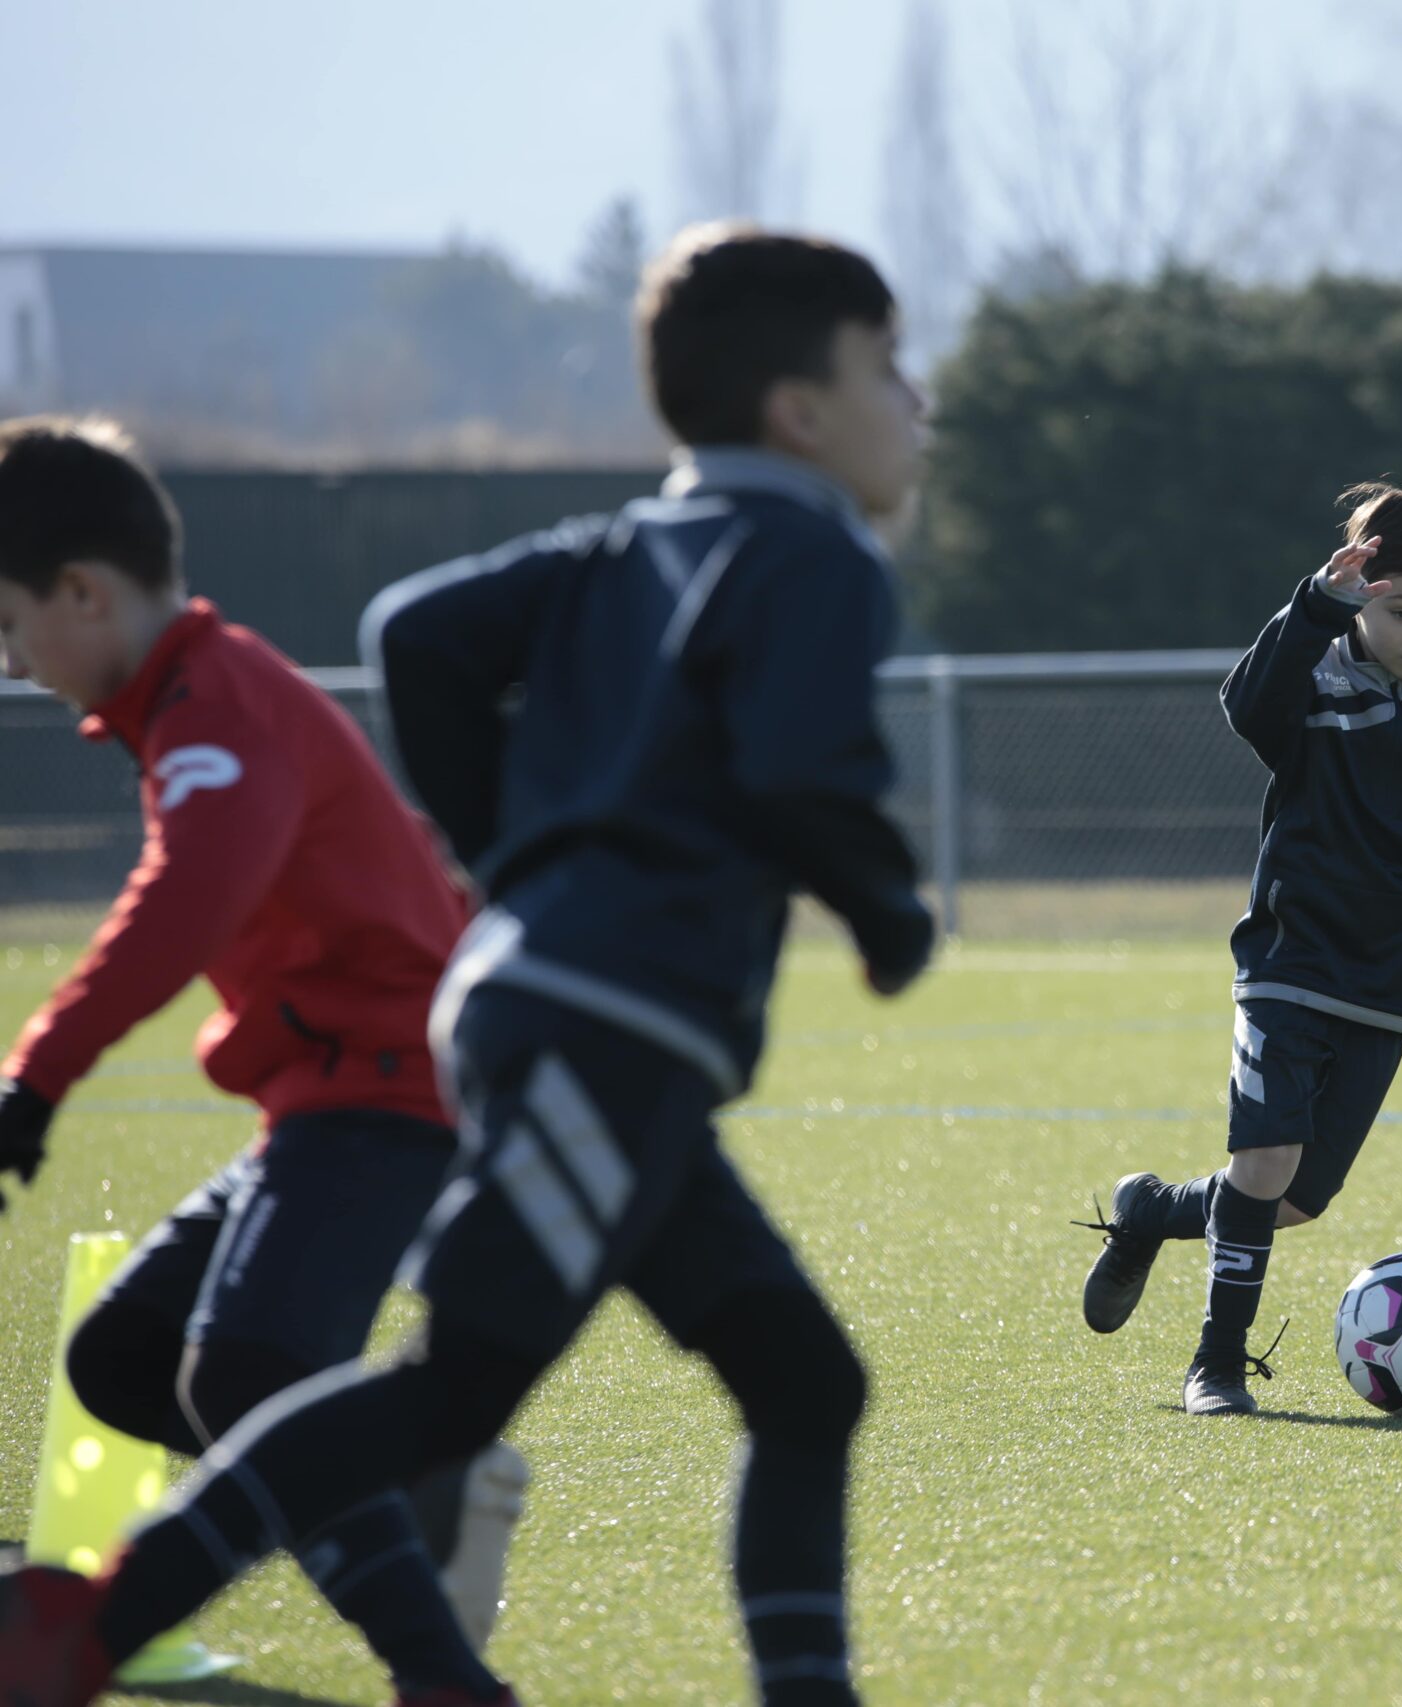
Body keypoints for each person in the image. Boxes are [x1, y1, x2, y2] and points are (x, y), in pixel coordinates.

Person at [0, 224, 935, 1707]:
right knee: (445, 1390)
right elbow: (800, 769)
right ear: (799, 412)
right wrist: (891, 911)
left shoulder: (626, 542)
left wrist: (521, 866)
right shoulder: (815, 550)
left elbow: (417, 631)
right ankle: (86, 1635)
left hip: (562, 1022)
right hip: (605, 1028)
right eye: (889, 363)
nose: (918, 398)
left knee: (807, 1383)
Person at [0, 417, 526, 1704]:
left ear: (84, 592)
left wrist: (36, 1077)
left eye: (9, 625)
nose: (10, 660)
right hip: (337, 1096)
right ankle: (405, 1489)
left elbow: (186, 899)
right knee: (125, 1358)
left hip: (393, 1090)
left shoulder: (211, 704)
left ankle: (444, 1673)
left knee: (251, 1371)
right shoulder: (198, 698)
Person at [1078, 481, 1402, 1414]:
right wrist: (1311, 607)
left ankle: (1147, 1211)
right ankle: (1215, 1366)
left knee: (1294, 1201)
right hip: (1289, 965)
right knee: (1261, 1169)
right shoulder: (1316, 673)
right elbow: (1248, 706)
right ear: (1361, 592)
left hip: (1396, 984)